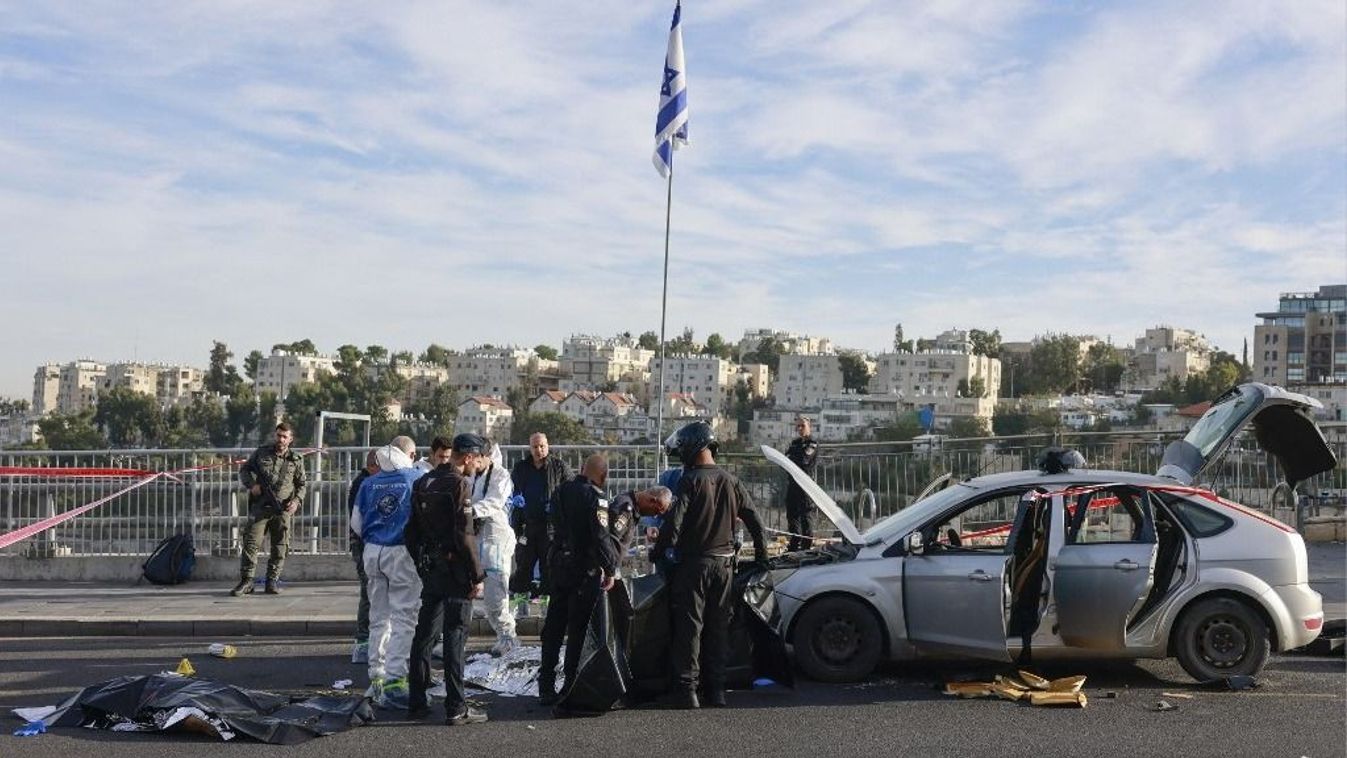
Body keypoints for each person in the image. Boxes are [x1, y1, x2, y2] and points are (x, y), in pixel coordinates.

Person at [652, 421, 768, 709]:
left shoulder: (689, 480)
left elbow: (673, 524)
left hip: (694, 566)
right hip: (725, 566)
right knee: (718, 629)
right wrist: (762, 559)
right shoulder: (732, 481)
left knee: (689, 628)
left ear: (693, 447)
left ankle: (687, 691)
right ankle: (717, 691)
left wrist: (661, 551)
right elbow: (757, 523)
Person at [540, 468, 673, 709]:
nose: (657, 515)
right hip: (586, 572)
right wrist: (609, 569)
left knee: (556, 628)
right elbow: (608, 540)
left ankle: (547, 686)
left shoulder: (570, 496)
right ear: (652, 500)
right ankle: (568, 686)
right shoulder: (625, 508)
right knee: (576, 631)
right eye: (658, 510)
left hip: (564, 566)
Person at [405, 433, 489, 725]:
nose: (477, 466)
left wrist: (422, 562)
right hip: (455, 573)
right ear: (467, 457)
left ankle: (416, 700)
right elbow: (464, 536)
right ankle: (456, 707)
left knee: (424, 635)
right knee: (455, 636)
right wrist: (477, 574)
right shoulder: (459, 484)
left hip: (432, 570)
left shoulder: (422, 482)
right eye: (477, 460)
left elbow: (410, 533)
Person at [350, 435, 424, 710]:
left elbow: (356, 523)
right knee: (404, 617)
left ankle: (376, 677)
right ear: (410, 454)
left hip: (373, 551)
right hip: (401, 551)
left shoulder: (368, 483)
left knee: (378, 617)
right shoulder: (414, 479)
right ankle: (395, 681)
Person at [233, 422, 308, 596]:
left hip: (282, 509)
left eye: (284, 436)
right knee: (251, 543)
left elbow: (302, 484)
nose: (280, 439)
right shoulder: (261, 453)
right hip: (260, 507)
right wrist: (252, 485)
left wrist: (296, 501)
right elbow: (245, 470)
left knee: (280, 545)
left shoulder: (296, 460)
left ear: (290, 439)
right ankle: (247, 581)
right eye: (278, 435)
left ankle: (272, 581)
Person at [467, 439, 518, 656]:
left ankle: (508, 637)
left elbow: (494, 502)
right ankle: (455, 638)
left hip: (495, 539)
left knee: (495, 594)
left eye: (478, 458)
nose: (475, 462)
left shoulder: (500, 475)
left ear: (487, 456)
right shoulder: (470, 474)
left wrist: (469, 511)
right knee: (464, 591)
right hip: (473, 537)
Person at [509, 432, 572, 597]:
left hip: (550, 526)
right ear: (530, 448)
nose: (539, 450)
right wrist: (516, 499)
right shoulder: (521, 467)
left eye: (542, 446)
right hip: (527, 525)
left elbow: (571, 489)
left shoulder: (558, 467)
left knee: (548, 566)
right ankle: (520, 601)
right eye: (535, 447)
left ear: (548, 446)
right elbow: (512, 490)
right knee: (524, 564)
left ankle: (546, 602)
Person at [348, 448, 379, 664]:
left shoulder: (367, 482)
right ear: (372, 466)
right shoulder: (364, 484)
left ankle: (367, 639)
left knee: (370, 591)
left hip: (366, 543)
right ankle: (363, 640)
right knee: (368, 591)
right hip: (363, 544)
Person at [784, 416, 820, 551]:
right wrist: (795, 455)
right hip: (793, 483)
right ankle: (794, 542)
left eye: (802, 426)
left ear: (809, 426)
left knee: (806, 515)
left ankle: (806, 546)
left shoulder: (812, 443)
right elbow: (786, 457)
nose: (799, 428)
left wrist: (794, 456)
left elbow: (804, 459)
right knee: (791, 513)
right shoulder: (795, 443)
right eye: (797, 426)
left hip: (805, 485)